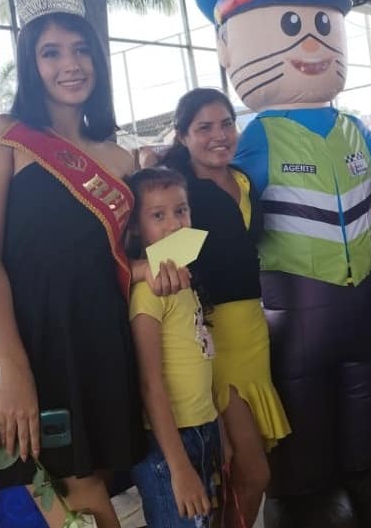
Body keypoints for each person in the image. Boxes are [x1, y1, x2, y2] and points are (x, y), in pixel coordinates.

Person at [193, 0, 371, 528]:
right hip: (292, 309)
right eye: (290, 24)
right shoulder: (253, 137)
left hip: (367, 303)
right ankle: (303, 490)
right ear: (228, 47)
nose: (311, 43)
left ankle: (370, 469)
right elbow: (210, 209)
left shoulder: (355, 129)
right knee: (302, 417)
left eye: (323, 24)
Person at [0, 0, 144, 528]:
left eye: (81, 50)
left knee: (92, 486)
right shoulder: (3, 137)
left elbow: (126, 259)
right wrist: (13, 369)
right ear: (31, 64)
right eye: (51, 52)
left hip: (98, 344)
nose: (71, 64)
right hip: (25, 342)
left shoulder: (121, 159)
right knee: (57, 492)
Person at [160, 87, 290, 528]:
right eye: (204, 128)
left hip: (253, 331)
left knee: (237, 475)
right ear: (182, 136)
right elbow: (162, 265)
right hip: (213, 340)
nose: (219, 135)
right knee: (252, 474)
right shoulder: (181, 197)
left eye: (226, 124)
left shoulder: (243, 181)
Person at [126, 167, 223, 528]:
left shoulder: (184, 280)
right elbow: (150, 385)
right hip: (170, 445)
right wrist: (179, 468)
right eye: (158, 215)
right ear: (136, 227)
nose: (174, 225)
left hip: (202, 428)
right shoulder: (147, 292)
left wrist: (219, 432)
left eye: (181, 210)